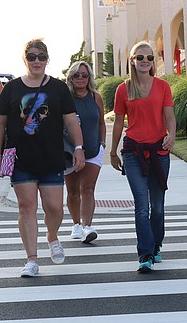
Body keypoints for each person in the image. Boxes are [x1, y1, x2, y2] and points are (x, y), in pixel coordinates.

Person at [0, 38, 85, 278]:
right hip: (21, 158)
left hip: (51, 157)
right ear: (25, 59)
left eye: (41, 57)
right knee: (26, 207)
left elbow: (71, 119)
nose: (36, 61)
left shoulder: (58, 88)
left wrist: (79, 147)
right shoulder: (11, 89)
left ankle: (52, 236)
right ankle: (31, 259)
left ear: (47, 60)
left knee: (54, 208)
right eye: (31, 57)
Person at [109, 41, 176, 273]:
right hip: (133, 152)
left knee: (157, 206)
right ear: (132, 61)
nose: (144, 61)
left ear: (153, 62)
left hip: (159, 152)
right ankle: (145, 254)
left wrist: (172, 136)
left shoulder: (162, 86)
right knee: (141, 205)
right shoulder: (123, 89)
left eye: (149, 58)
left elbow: (169, 115)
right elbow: (118, 122)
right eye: (140, 58)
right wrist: (113, 151)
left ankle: (156, 245)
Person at [64, 61, 105, 244]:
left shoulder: (96, 97)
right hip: (69, 151)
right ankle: (76, 224)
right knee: (73, 191)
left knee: (88, 189)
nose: (80, 78)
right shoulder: (65, 98)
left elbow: (101, 122)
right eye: (77, 75)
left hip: (94, 150)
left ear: (89, 78)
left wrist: (102, 142)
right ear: (71, 78)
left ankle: (88, 226)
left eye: (84, 75)